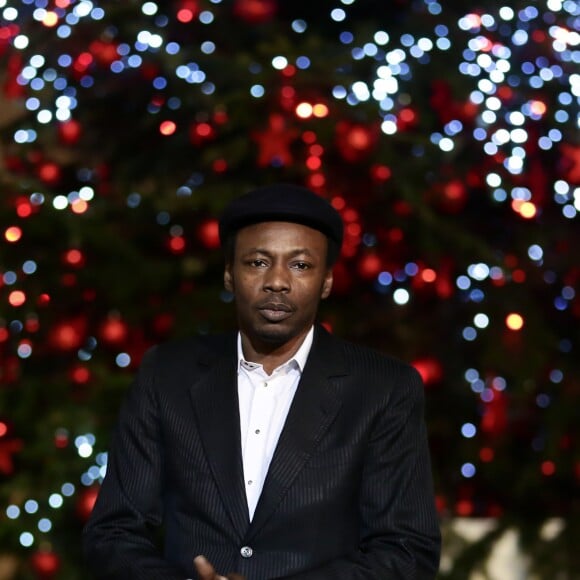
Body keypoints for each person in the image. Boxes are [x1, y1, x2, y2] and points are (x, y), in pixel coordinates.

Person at [83, 183, 441, 579]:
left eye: (300, 265)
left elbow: (407, 551)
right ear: (229, 274)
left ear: (326, 281)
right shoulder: (167, 375)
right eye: (257, 262)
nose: (277, 281)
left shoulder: (383, 389)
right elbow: (113, 531)